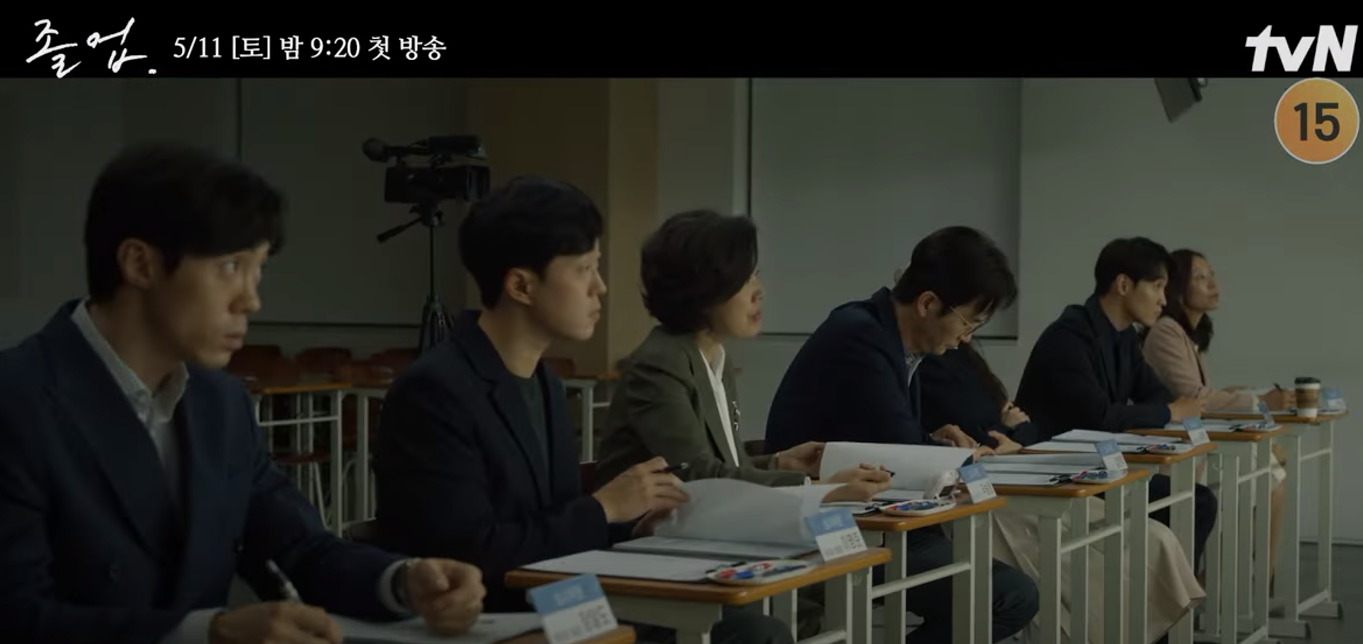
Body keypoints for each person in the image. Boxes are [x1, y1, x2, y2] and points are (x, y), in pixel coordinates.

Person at [0, 142, 486, 644]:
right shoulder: (17, 399)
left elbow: (300, 550)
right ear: (140, 264)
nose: (252, 300)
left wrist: (405, 581)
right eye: (230, 267)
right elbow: (15, 617)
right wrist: (209, 634)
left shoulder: (220, 402)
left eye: (259, 269)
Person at [370, 177, 795, 644]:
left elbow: (554, 523)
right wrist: (603, 508)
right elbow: (470, 554)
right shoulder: (436, 391)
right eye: (584, 269)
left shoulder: (544, 382)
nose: (601, 287)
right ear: (521, 285)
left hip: (562, 604)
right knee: (749, 635)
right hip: (497, 620)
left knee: (751, 629)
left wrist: (629, 526)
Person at [764, 226, 1040, 644]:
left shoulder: (890, 339)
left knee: (1006, 589)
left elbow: (884, 434)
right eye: (969, 322)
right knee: (1010, 596)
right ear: (928, 303)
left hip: (877, 518)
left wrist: (934, 441)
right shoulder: (859, 334)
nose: (967, 337)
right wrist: (961, 457)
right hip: (830, 528)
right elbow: (898, 442)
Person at [596, 209, 893, 501]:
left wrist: (779, 463)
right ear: (702, 289)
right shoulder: (660, 363)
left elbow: (724, 467)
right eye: (744, 280)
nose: (759, 291)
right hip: (647, 529)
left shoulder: (715, 357)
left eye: (755, 276)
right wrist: (820, 488)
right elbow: (697, 475)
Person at [920, 342, 1203, 644]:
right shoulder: (1066, 340)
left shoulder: (964, 354)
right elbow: (985, 435)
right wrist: (1007, 430)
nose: (965, 333)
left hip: (1018, 475)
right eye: (969, 321)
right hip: (989, 495)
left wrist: (1010, 431)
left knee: (1157, 536)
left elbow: (1018, 427)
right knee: (1114, 552)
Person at [1013, 237, 1218, 569]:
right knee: (1195, 502)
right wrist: (1170, 412)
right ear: (1123, 285)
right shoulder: (1068, 337)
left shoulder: (1124, 337)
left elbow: (1156, 393)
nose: (1164, 300)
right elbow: (1102, 417)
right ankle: (1163, 598)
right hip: (1058, 472)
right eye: (1157, 287)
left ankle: (1161, 596)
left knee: (1196, 499)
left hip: (1098, 464)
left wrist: (1162, 409)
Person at [1141, 248, 1288, 584]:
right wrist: (1258, 400)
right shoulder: (1166, 331)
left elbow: (1196, 395)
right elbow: (1195, 397)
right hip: (1175, 456)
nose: (1212, 284)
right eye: (1200, 277)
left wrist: (1244, 395)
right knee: (1271, 478)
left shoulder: (1185, 335)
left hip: (1193, 447)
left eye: (1212, 275)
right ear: (1178, 288)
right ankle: (1239, 580)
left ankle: (1247, 579)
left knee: (1273, 474)